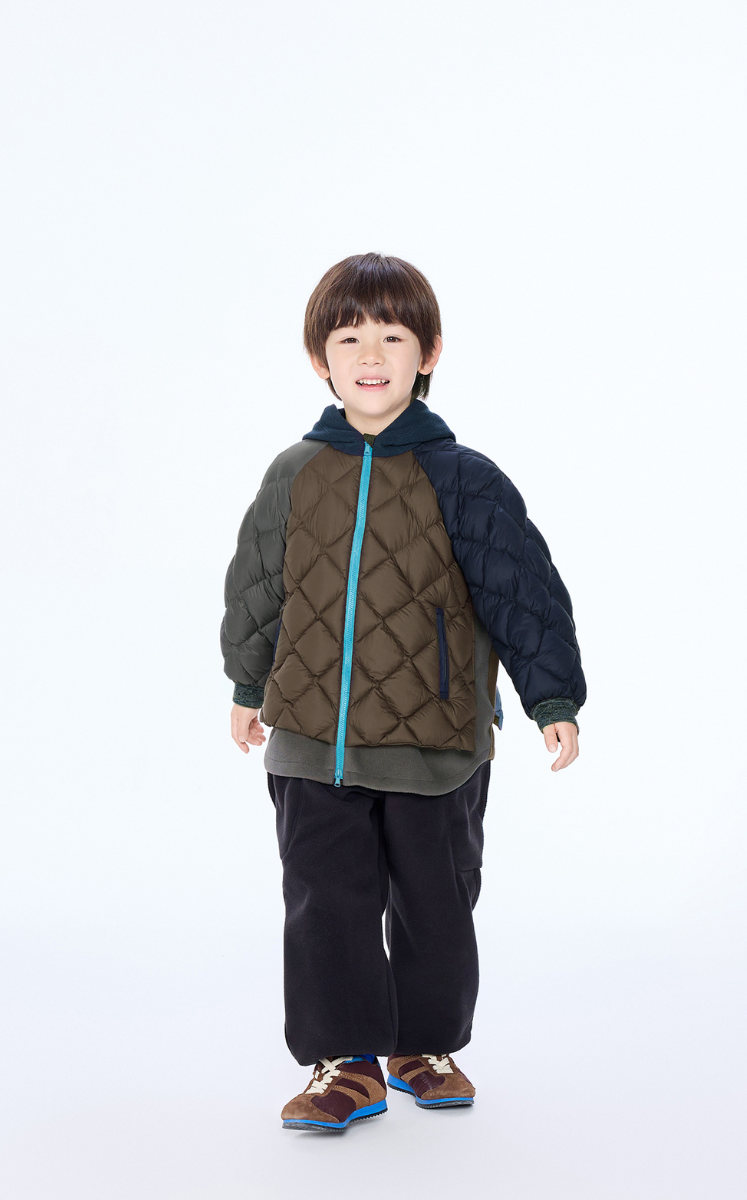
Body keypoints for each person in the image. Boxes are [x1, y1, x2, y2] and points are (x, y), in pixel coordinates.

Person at [220, 252, 586, 1132]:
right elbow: (258, 586)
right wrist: (246, 682)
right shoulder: (294, 472)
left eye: (392, 335)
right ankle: (343, 1063)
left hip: (436, 743)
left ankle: (423, 1046)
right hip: (313, 739)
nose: (371, 355)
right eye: (349, 338)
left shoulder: (464, 477)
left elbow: (521, 592)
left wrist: (552, 701)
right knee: (324, 902)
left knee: (436, 902)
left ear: (429, 352)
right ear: (319, 357)